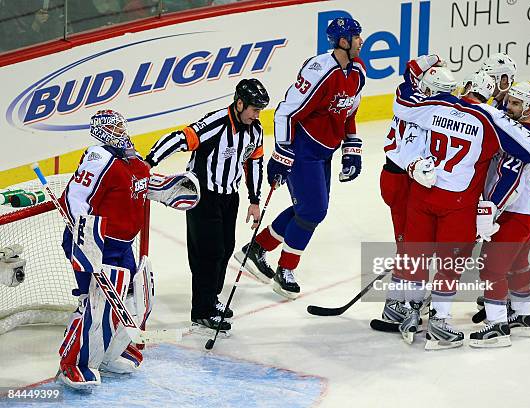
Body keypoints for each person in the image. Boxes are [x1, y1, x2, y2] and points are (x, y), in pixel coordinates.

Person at [390, 71, 530, 350]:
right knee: (449, 265)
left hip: (422, 195)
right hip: (457, 204)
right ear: (491, 97)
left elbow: (401, 104)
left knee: (417, 255)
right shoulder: (489, 118)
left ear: (464, 86)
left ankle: (410, 309)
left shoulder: (438, 105)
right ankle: (440, 324)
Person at [234, 17, 366, 300]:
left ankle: (257, 248)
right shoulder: (320, 69)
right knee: (314, 210)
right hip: (302, 149)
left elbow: (348, 113)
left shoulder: (359, 72)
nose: (361, 41)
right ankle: (285, 270)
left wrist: (350, 147)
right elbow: (285, 112)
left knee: (306, 209)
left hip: (324, 151)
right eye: (357, 36)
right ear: (343, 42)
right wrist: (282, 151)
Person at [145, 78, 269, 331]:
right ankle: (201, 310)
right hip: (202, 196)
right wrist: (148, 162)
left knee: (225, 249)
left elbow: (254, 163)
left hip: (229, 198)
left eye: (260, 111)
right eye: (254, 109)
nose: (257, 115)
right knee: (208, 253)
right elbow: (180, 138)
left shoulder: (255, 130)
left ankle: (211, 299)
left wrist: (254, 200)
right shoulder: (215, 123)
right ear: (240, 103)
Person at [57, 110, 152, 390]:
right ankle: (73, 363)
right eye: (115, 127)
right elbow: (75, 197)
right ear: (101, 130)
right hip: (95, 244)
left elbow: (142, 185)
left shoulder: (129, 158)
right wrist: (85, 239)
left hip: (123, 246)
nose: (121, 131)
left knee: (125, 302)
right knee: (94, 304)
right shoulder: (99, 158)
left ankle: (109, 353)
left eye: (122, 126)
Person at [469, 82, 530, 348]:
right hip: (529, 210)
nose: (508, 107)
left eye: (515, 104)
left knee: (492, 268)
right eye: (508, 101)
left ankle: (497, 325)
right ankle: (523, 315)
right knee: (518, 264)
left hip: (515, 210)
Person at [379, 54, 457, 328]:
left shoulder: (414, 98)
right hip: (400, 182)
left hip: (399, 180)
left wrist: (435, 61)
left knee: (412, 246)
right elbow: (411, 157)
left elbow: (410, 72)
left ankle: (400, 300)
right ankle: (394, 305)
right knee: (409, 247)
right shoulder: (420, 113)